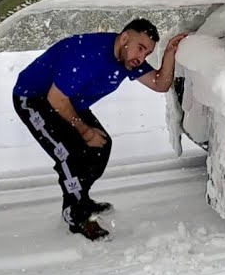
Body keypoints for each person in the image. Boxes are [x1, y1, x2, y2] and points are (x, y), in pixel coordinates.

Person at [13, 18, 187, 240]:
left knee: (101, 147)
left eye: (147, 52)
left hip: (68, 100)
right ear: (124, 38)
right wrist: (85, 132)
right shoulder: (88, 55)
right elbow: (55, 99)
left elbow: (159, 84)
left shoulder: (128, 59)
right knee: (70, 153)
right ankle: (78, 217)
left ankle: (79, 199)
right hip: (34, 98)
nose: (141, 58)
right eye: (140, 48)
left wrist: (169, 54)